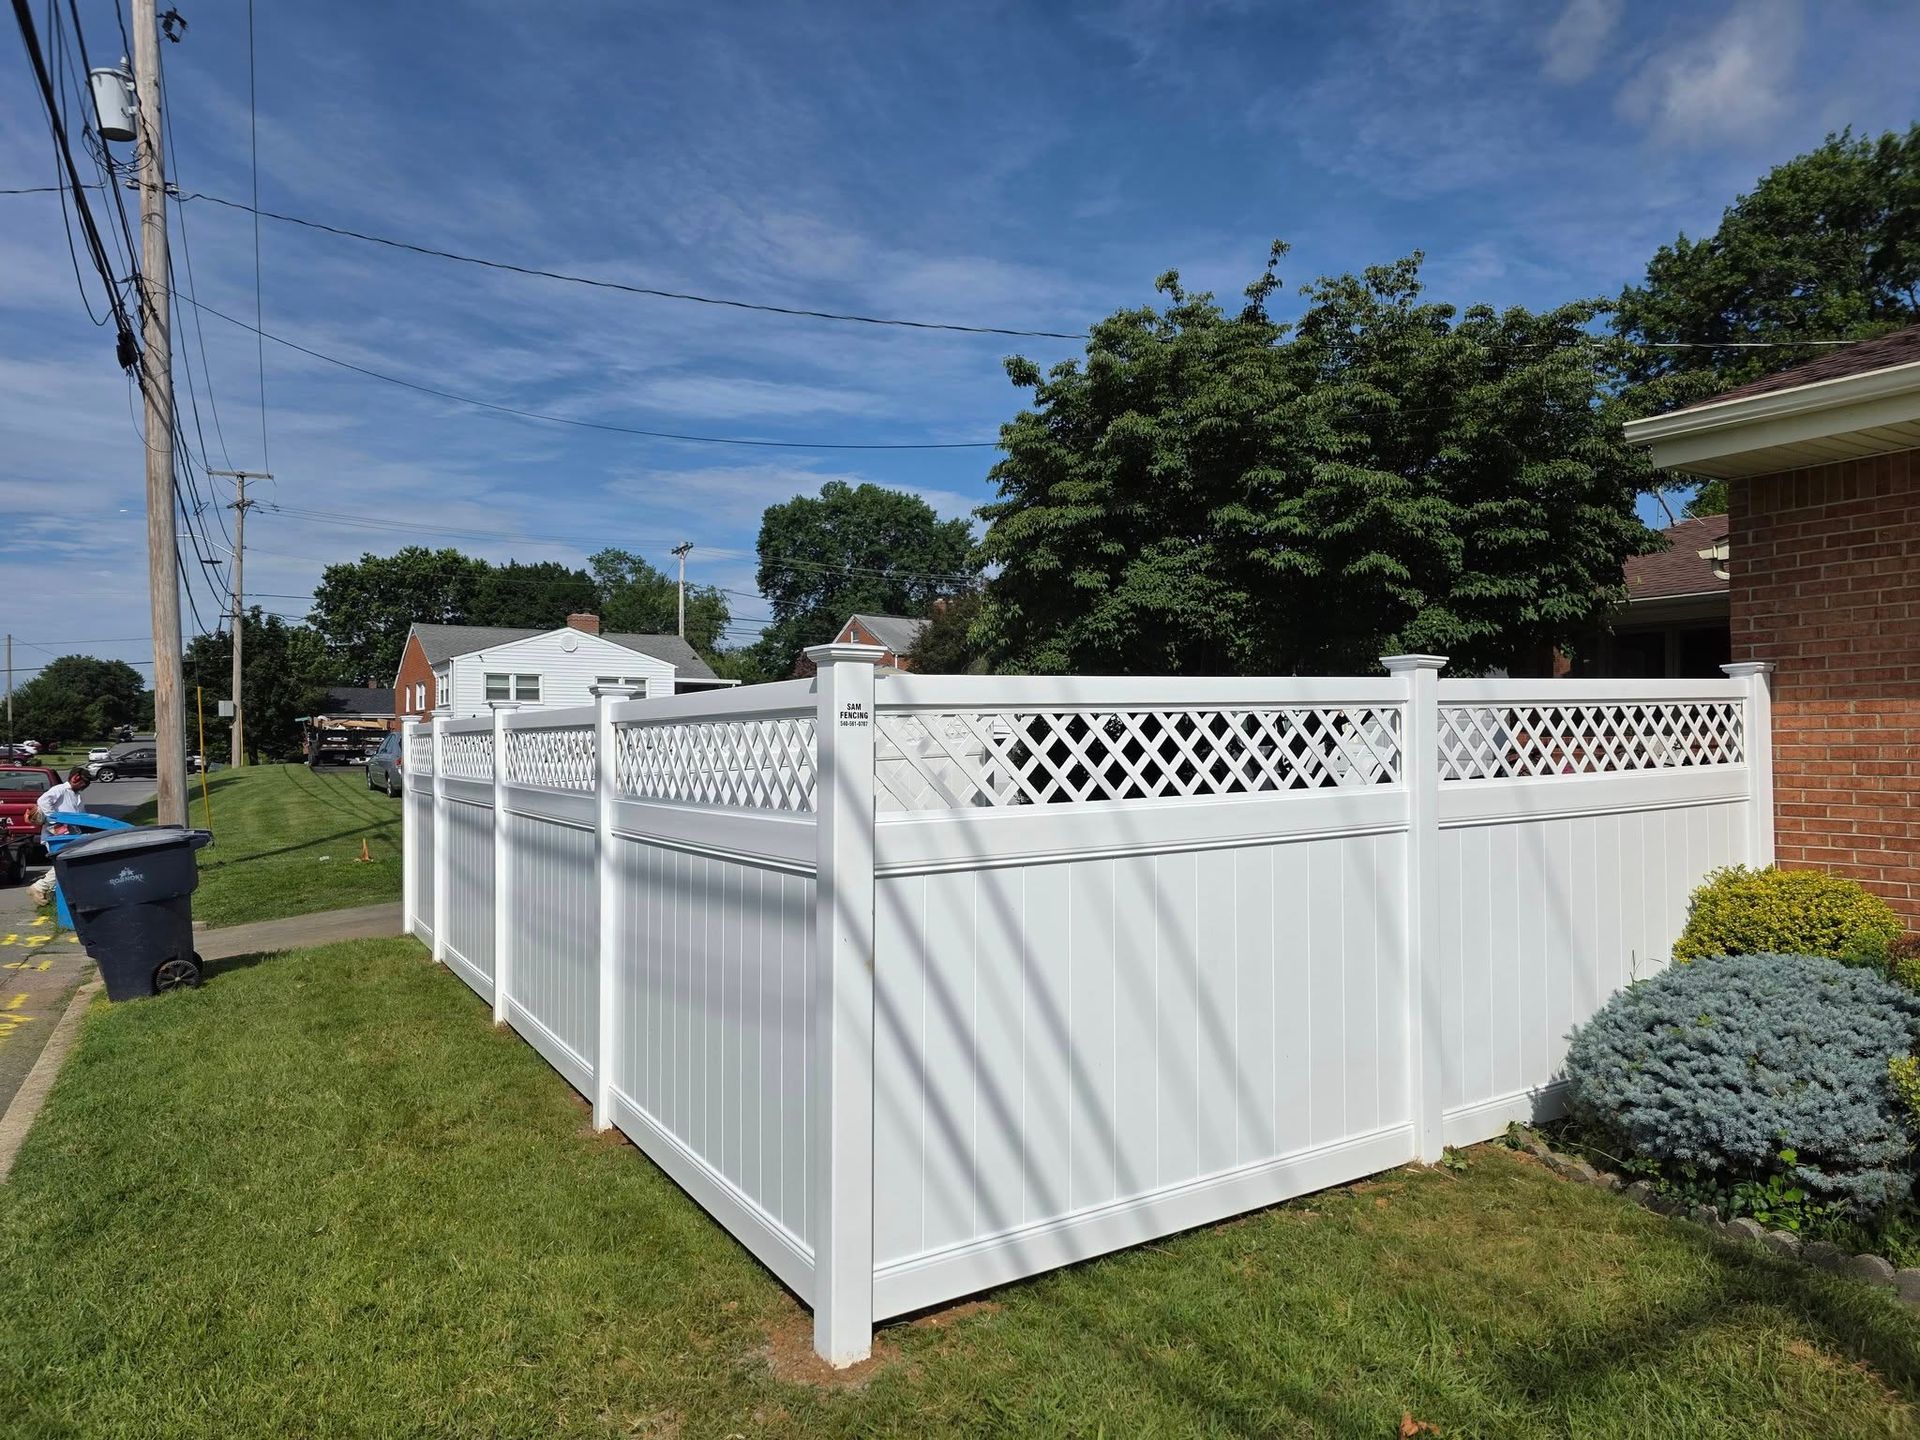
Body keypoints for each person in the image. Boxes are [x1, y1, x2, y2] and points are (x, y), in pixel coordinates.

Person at [27, 768, 91, 907]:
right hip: (56, 836)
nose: (86, 786)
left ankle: (50, 892)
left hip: (72, 835)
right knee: (64, 864)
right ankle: (40, 887)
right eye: (85, 782)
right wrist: (56, 821)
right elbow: (43, 800)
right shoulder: (60, 789)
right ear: (75, 778)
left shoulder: (76, 795)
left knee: (67, 864)